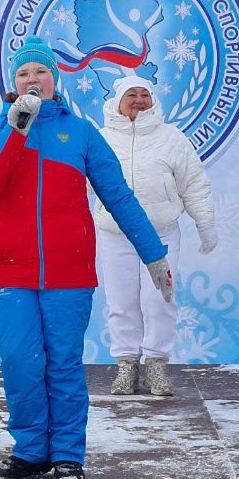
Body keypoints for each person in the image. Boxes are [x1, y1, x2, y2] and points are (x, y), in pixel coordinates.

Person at [0, 37, 171, 479]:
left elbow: (117, 194)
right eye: (23, 74)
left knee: (62, 363)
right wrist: (14, 131)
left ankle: (66, 455)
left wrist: (154, 255)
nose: (32, 79)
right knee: (21, 361)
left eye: (39, 72)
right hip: (12, 270)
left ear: (54, 80)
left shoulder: (79, 133)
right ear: (13, 83)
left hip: (69, 271)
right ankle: (30, 451)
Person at [94, 76, 217, 396]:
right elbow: (79, 185)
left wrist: (204, 223)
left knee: (159, 298)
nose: (138, 100)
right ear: (117, 101)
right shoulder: (101, 138)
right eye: (130, 95)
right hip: (115, 234)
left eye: (143, 94)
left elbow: (193, 182)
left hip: (160, 233)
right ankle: (126, 365)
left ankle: (157, 364)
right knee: (121, 301)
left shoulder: (171, 138)